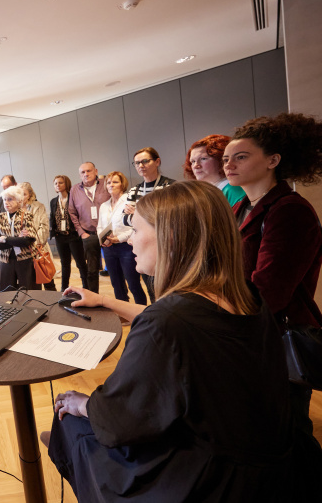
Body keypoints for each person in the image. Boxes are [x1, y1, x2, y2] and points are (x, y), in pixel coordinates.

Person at [45, 181, 304, 502]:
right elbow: (175, 320)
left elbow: (118, 420)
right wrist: (106, 301)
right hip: (270, 463)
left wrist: (82, 405)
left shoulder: (168, 322)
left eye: (135, 231)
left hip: (211, 480)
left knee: (71, 423)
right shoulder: (245, 297)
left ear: (170, 239)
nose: (130, 241)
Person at [224, 112, 322, 438]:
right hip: (251, 328)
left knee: (290, 427)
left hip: (278, 332)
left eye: (241, 157)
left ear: (273, 160)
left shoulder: (289, 210)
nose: (229, 164)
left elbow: (270, 290)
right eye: (226, 158)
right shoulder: (241, 209)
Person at [122, 147, 175, 302]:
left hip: (166, 246)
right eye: (137, 163)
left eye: (145, 161)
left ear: (157, 162)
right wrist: (149, 215)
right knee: (151, 290)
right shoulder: (134, 190)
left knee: (169, 289)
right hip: (144, 246)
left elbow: (170, 218)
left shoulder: (170, 187)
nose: (141, 165)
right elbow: (124, 219)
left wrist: (137, 213)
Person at [97, 171, 147, 305]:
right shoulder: (103, 206)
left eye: (115, 182)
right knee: (116, 283)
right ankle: (123, 310)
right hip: (108, 249)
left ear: (122, 184)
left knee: (133, 283)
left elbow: (134, 226)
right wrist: (103, 239)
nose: (111, 185)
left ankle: (141, 312)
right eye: (108, 182)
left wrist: (118, 238)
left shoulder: (129, 202)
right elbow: (100, 226)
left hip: (126, 248)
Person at [68, 162, 110, 292]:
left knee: (115, 269)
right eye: (82, 172)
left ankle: (121, 299)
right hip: (89, 234)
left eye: (89, 171)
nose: (86, 174)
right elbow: (72, 212)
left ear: (96, 171)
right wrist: (81, 232)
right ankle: (93, 298)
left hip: (108, 233)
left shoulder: (106, 184)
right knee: (91, 270)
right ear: (80, 175)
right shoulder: (75, 189)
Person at [0, 185, 37, 290]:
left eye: (10, 199)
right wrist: (18, 240)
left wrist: (5, 239)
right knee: (6, 294)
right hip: (5, 261)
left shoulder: (26, 216)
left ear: (19, 201)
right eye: (4, 199)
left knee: (28, 292)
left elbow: (28, 241)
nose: (6, 202)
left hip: (24, 260)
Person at [183, 134, 246, 207]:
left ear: (221, 159)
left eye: (203, 159)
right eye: (193, 161)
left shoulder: (233, 191)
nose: (196, 166)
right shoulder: (205, 192)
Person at [50, 175, 88, 292]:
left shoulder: (73, 198)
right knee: (64, 263)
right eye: (56, 183)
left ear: (66, 184)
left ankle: (86, 287)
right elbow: (52, 217)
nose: (58, 185)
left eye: (60, 183)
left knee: (80, 262)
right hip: (60, 236)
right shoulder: (54, 201)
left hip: (73, 235)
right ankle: (64, 288)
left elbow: (80, 215)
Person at [19, 182, 56, 290]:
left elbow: (44, 227)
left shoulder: (38, 206)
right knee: (31, 281)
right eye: (19, 194)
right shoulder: (15, 208)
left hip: (39, 247)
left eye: (24, 194)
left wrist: (34, 243)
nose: (22, 197)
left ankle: (53, 300)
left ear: (30, 195)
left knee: (47, 278)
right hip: (23, 250)